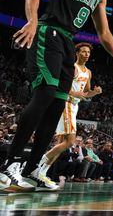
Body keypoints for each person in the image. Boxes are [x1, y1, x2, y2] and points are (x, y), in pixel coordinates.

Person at [0, 0, 113, 192]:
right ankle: (10, 164)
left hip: (66, 42)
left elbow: (104, 32)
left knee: (56, 107)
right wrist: (32, 22)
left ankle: (31, 171)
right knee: (45, 94)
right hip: (48, 32)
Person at [32, 43, 102, 185]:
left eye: (88, 52)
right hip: (66, 104)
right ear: (77, 53)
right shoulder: (72, 68)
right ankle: (35, 166)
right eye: (83, 51)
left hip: (74, 107)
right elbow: (60, 85)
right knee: (70, 141)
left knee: (61, 143)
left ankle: (42, 173)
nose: (86, 54)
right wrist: (73, 92)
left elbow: (85, 93)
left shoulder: (88, 72)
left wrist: (94, 93)